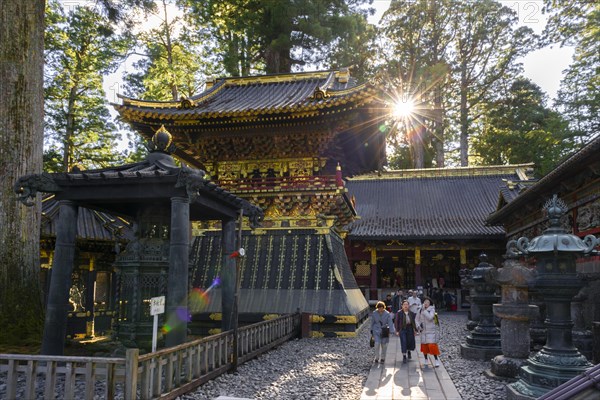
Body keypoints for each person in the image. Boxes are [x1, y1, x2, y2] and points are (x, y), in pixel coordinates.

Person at [416, 297, 441, 367]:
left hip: (431, 331)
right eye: (425, 302)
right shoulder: (420, 310)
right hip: (423, 331)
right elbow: (416, 319)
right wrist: (418, 326)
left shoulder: (432, 309)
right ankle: (426, 359)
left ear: (430, 303)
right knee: (424, 346)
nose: (426, 303)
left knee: (432, 345)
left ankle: (436, 360)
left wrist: (424, 310)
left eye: (427, 302)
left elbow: (430, 318)